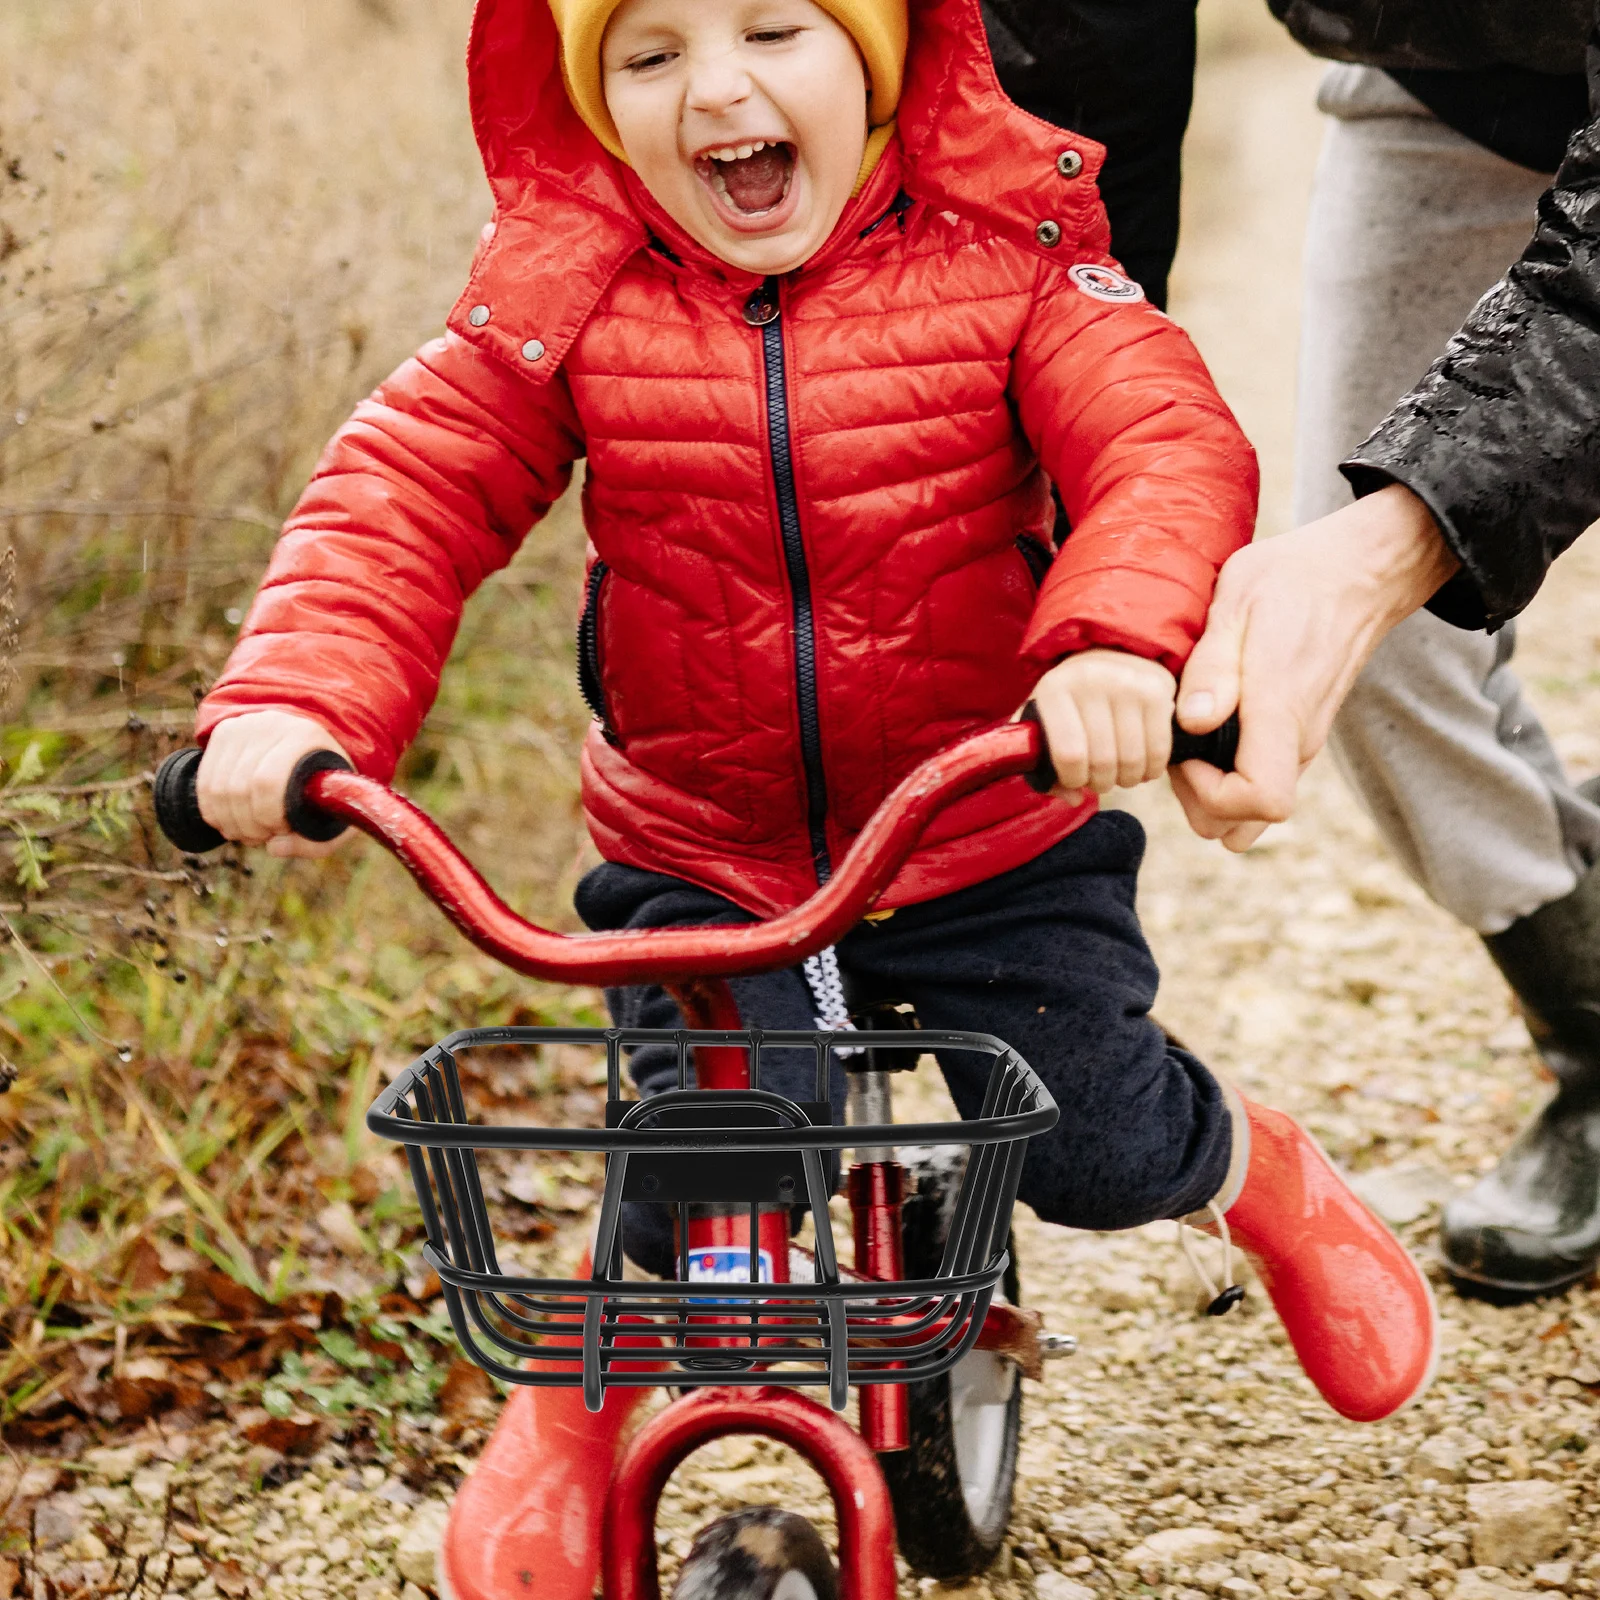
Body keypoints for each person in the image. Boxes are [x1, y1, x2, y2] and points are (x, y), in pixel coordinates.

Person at [188, 0, 1437, 1591]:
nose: (717, 87)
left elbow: (1163, 445)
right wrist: (293, 698)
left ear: (884, 57)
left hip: (988, 820)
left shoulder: (1015, 259)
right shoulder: (566, 293)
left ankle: (1260, 1175)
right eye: (646, 58)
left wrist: (1115, 642)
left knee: (1093, 1143)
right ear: (593, 101)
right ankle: (583, 1398)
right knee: (714, 1147)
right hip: (704, 847)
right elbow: (403, 493)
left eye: (777, 26)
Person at [989, 0, 1600, 1300]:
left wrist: (1400, 538)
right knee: (1386, 650)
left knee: (1398, 549)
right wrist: (1068, 514)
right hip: (1449, 95)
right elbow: (1076, 97)